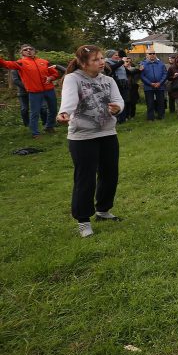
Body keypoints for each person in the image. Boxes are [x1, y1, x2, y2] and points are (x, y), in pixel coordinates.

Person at [55, 45, 124, 238]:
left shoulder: (108, 80)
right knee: (85, 179)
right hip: (82, 137)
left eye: (102, 58)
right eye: (96, 60)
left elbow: (118, 100)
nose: (101, 62)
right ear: (83, 64)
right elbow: (68, 101)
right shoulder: (73, 79)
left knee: (110, 174)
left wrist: (117, 108)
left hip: (108, 133)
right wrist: (64, 113)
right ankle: (83, 220)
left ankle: (103, 210)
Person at [0, 43, 59, 137]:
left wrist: (51, 78)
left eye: (30, 49)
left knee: (53, 110)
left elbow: (55, 73)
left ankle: (49, 127)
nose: (28, 50)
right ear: (22, 53)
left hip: (49, 90)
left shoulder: (44, 61)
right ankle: (35, 133)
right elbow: (5, 64)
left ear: (34, 51)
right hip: (34, 92)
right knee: (34, 112)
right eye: (25, 50)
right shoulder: (20, 63)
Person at [139, 49, 168, 121]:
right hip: (148, 87)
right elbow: (142, 76)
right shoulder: (142, 64)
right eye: (150, 53)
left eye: (153, 53)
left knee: (161, 102)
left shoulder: (161, 63)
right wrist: (150, 83)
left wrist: (160, 83)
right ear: (146, 55)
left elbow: (165, 74)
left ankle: (161, 116)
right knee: (150, 103)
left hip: (160, 86)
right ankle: (150, 118)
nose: (152, 55)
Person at [105, 50, 130, 123]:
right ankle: (116, 118)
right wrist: (122, 61)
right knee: (115, 102)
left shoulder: (120, 63)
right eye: (115, 55)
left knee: (124, 101)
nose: (117, 56)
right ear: (110, 56)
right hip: (115, 85)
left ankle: (123, 118)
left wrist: (139, 70)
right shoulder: (107, 63)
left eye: (117, 55)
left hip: (123, 84)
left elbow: (129, 72)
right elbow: (111, 69)